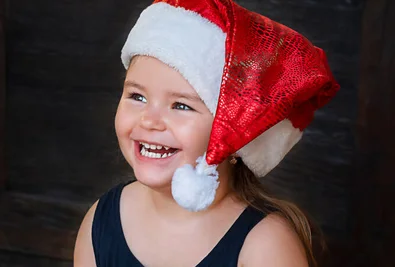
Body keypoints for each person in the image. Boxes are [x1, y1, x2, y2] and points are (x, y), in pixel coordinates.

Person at [74, 0, 340, 266]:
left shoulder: (265, 245)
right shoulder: (102, 219)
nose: (150, 120)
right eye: (137, 96)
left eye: (181, 105)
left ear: (235, 132)